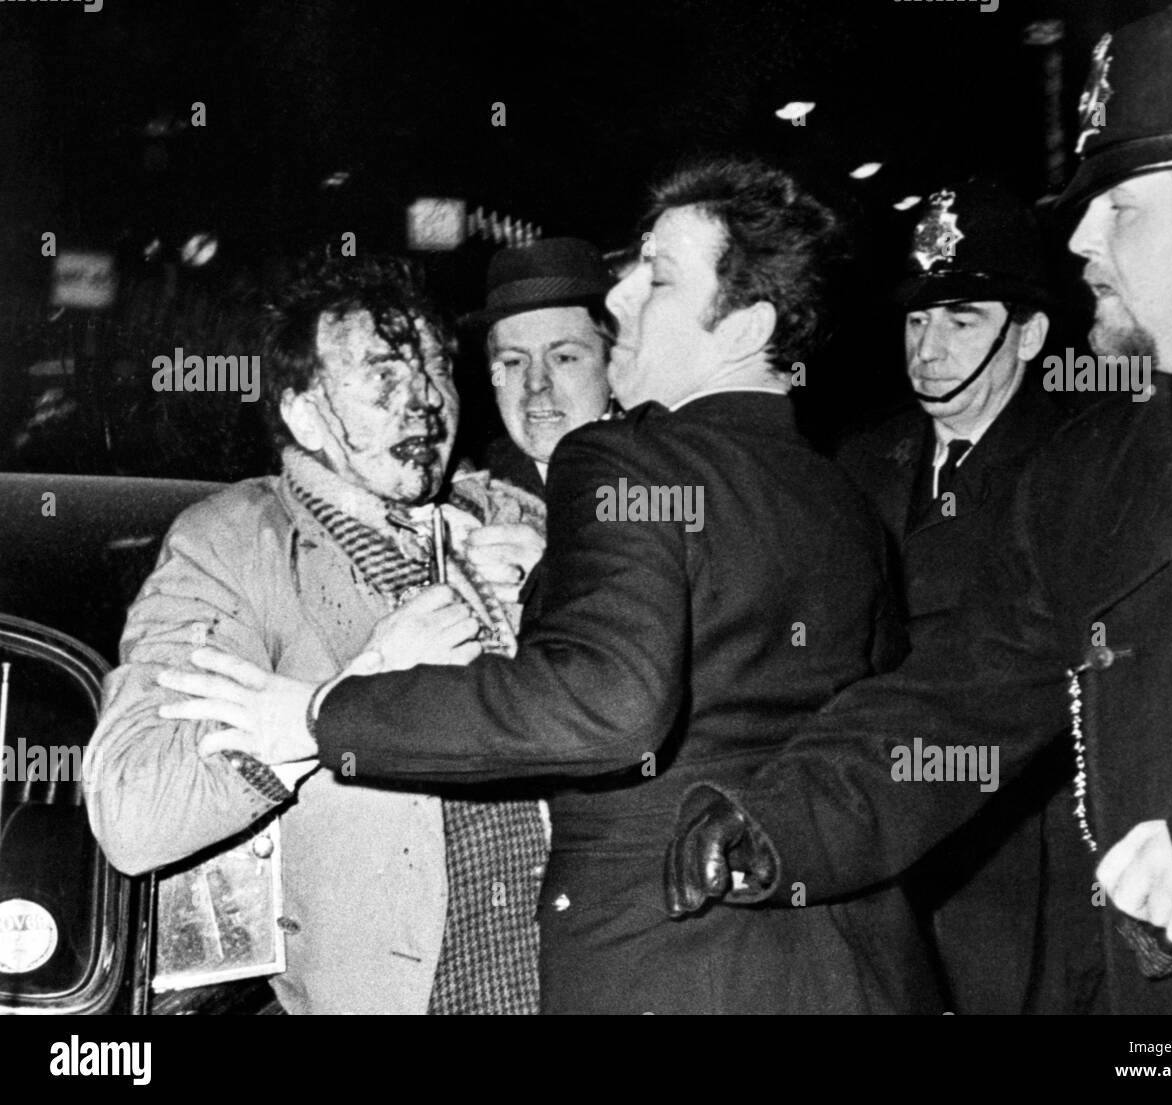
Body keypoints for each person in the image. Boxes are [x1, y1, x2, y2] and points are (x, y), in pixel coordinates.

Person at [155, 156, 943, 1015]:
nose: (621, 300)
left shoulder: (618, 459)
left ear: (746, 326)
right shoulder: (845, 499)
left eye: (658, 279)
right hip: (853, 972)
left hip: (673, 971)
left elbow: (609, 701)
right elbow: (860, 737)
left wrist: (319, 713)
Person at [665, 2, 1172, 1016]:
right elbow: (964, 698)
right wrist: (784, 816)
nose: (1082, 237)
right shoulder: (1086, 473)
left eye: (1120, 208)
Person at [85, 254, 550, 1014]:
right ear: (303, 414)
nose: (426, 403)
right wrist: (353, 689)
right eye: (384, 377)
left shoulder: (507, 523)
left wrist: (557, 589)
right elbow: (135, 811)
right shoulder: (234, 546)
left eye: (437, 369)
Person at [838, 180, 1096, 1014]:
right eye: (917, 320)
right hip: (879, 835)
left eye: (961, 320)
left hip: (1021, 858)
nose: (928, 348)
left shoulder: (1076, 463)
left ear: (1027, 337)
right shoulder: (857, 463)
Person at [466, 237, 616, 499]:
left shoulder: (669, 479)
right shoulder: (472, 493)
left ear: (614, 368)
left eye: (564, 358)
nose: (535, 382)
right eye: (513, 361)